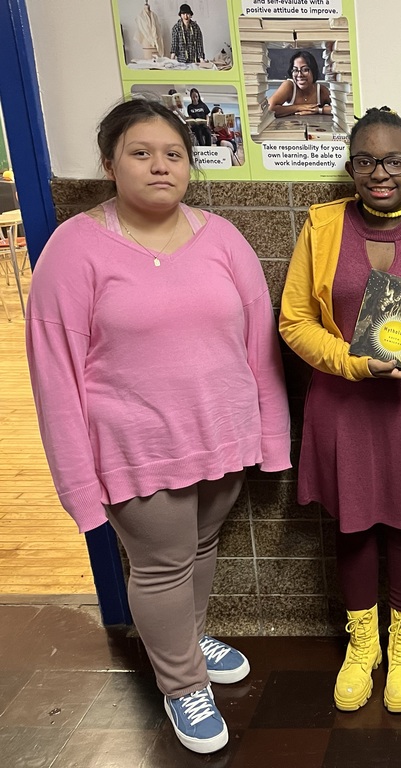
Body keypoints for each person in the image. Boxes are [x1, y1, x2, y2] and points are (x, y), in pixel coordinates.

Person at [25, 99, 290, 754]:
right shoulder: (74, 249)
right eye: (140, 153)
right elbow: (55, 375)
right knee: (162, 566)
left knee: (200, 548)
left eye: (173, 154)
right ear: (109, 163)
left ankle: (187, 639)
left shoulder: (221, 238)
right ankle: (182, 685)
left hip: (223, 438)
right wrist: (77, 485)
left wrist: (271, 439)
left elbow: (259, 347)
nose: (160, 166)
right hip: (137, 447)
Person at [279, 107, 401, 715]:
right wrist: (352, 363)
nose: (381, 173)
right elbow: (294, 322)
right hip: (343, 402)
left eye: (394, 161)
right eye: (367, 160)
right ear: (351, 167)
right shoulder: (322, 226)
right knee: (352, 524)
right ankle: (363, 646)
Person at [268, 50, 331, 118]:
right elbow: (269, 109)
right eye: (295, 70)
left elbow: (339, 109)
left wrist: (319, 110)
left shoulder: (321, 90)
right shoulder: (289, 85)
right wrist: (299, 107)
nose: (300, 75)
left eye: (305, 70)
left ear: (313, 71)